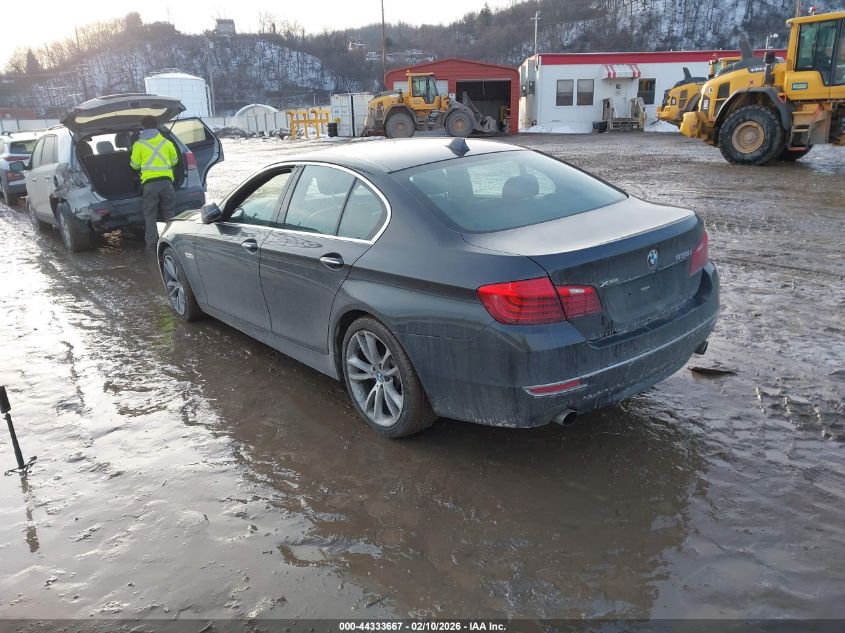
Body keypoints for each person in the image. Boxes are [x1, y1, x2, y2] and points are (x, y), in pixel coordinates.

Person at [130, 116, 178, 246]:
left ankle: (152, 244)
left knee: (150, 215)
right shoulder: (167, 142)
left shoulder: (138, 144)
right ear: (156, 126)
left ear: (143, 127)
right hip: (167, 183)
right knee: (169, 213)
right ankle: (172, 240)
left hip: (149, 185)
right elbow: (175, 161)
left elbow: (134, 165)